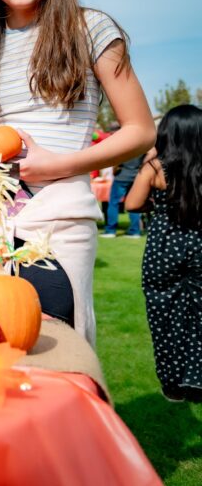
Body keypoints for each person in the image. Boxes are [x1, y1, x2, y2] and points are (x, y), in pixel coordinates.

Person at [0, 0, 154, 346]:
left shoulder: (91, 28)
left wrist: (56, 165)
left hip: (58, 218)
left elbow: (140, 130)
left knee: (58, 348)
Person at [124, 105, 202, 402]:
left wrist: (157, 207)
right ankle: (197, 381)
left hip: (163, 249)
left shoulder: (155, 168)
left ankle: (173, 386)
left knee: (163, 316)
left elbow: (132, 204)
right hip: (199, 245)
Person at [101, 153, 144, 238]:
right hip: (136, 177)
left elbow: (117, 160)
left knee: (113, 203)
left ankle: (110, 230)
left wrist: (114, 170)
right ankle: (135, 231)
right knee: (134, 204)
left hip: (122, 176)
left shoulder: (126, 145)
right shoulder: (141, 146)